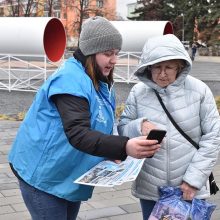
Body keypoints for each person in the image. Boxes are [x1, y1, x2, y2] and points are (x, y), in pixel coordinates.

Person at [8, 16, 160, 220]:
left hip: (67, 174)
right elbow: (79, 133)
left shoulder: (99, 81)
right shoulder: (71, 80)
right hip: (44, 177)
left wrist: (117, 145)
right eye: (108, 53)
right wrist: (124, 146)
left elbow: (103, 125)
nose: (114, 60)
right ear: (90, 52)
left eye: (116, 53)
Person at [117, 34, 220, 220]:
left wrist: (193, 180)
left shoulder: (199, 90)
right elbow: (123, 127)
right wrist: (139, 125)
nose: (162, 73)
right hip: (151, 187)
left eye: (169, 67)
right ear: (148, 67)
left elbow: (213, 137)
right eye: (157, 67)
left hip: (189, 188)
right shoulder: (138, 92)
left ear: (179, 66)